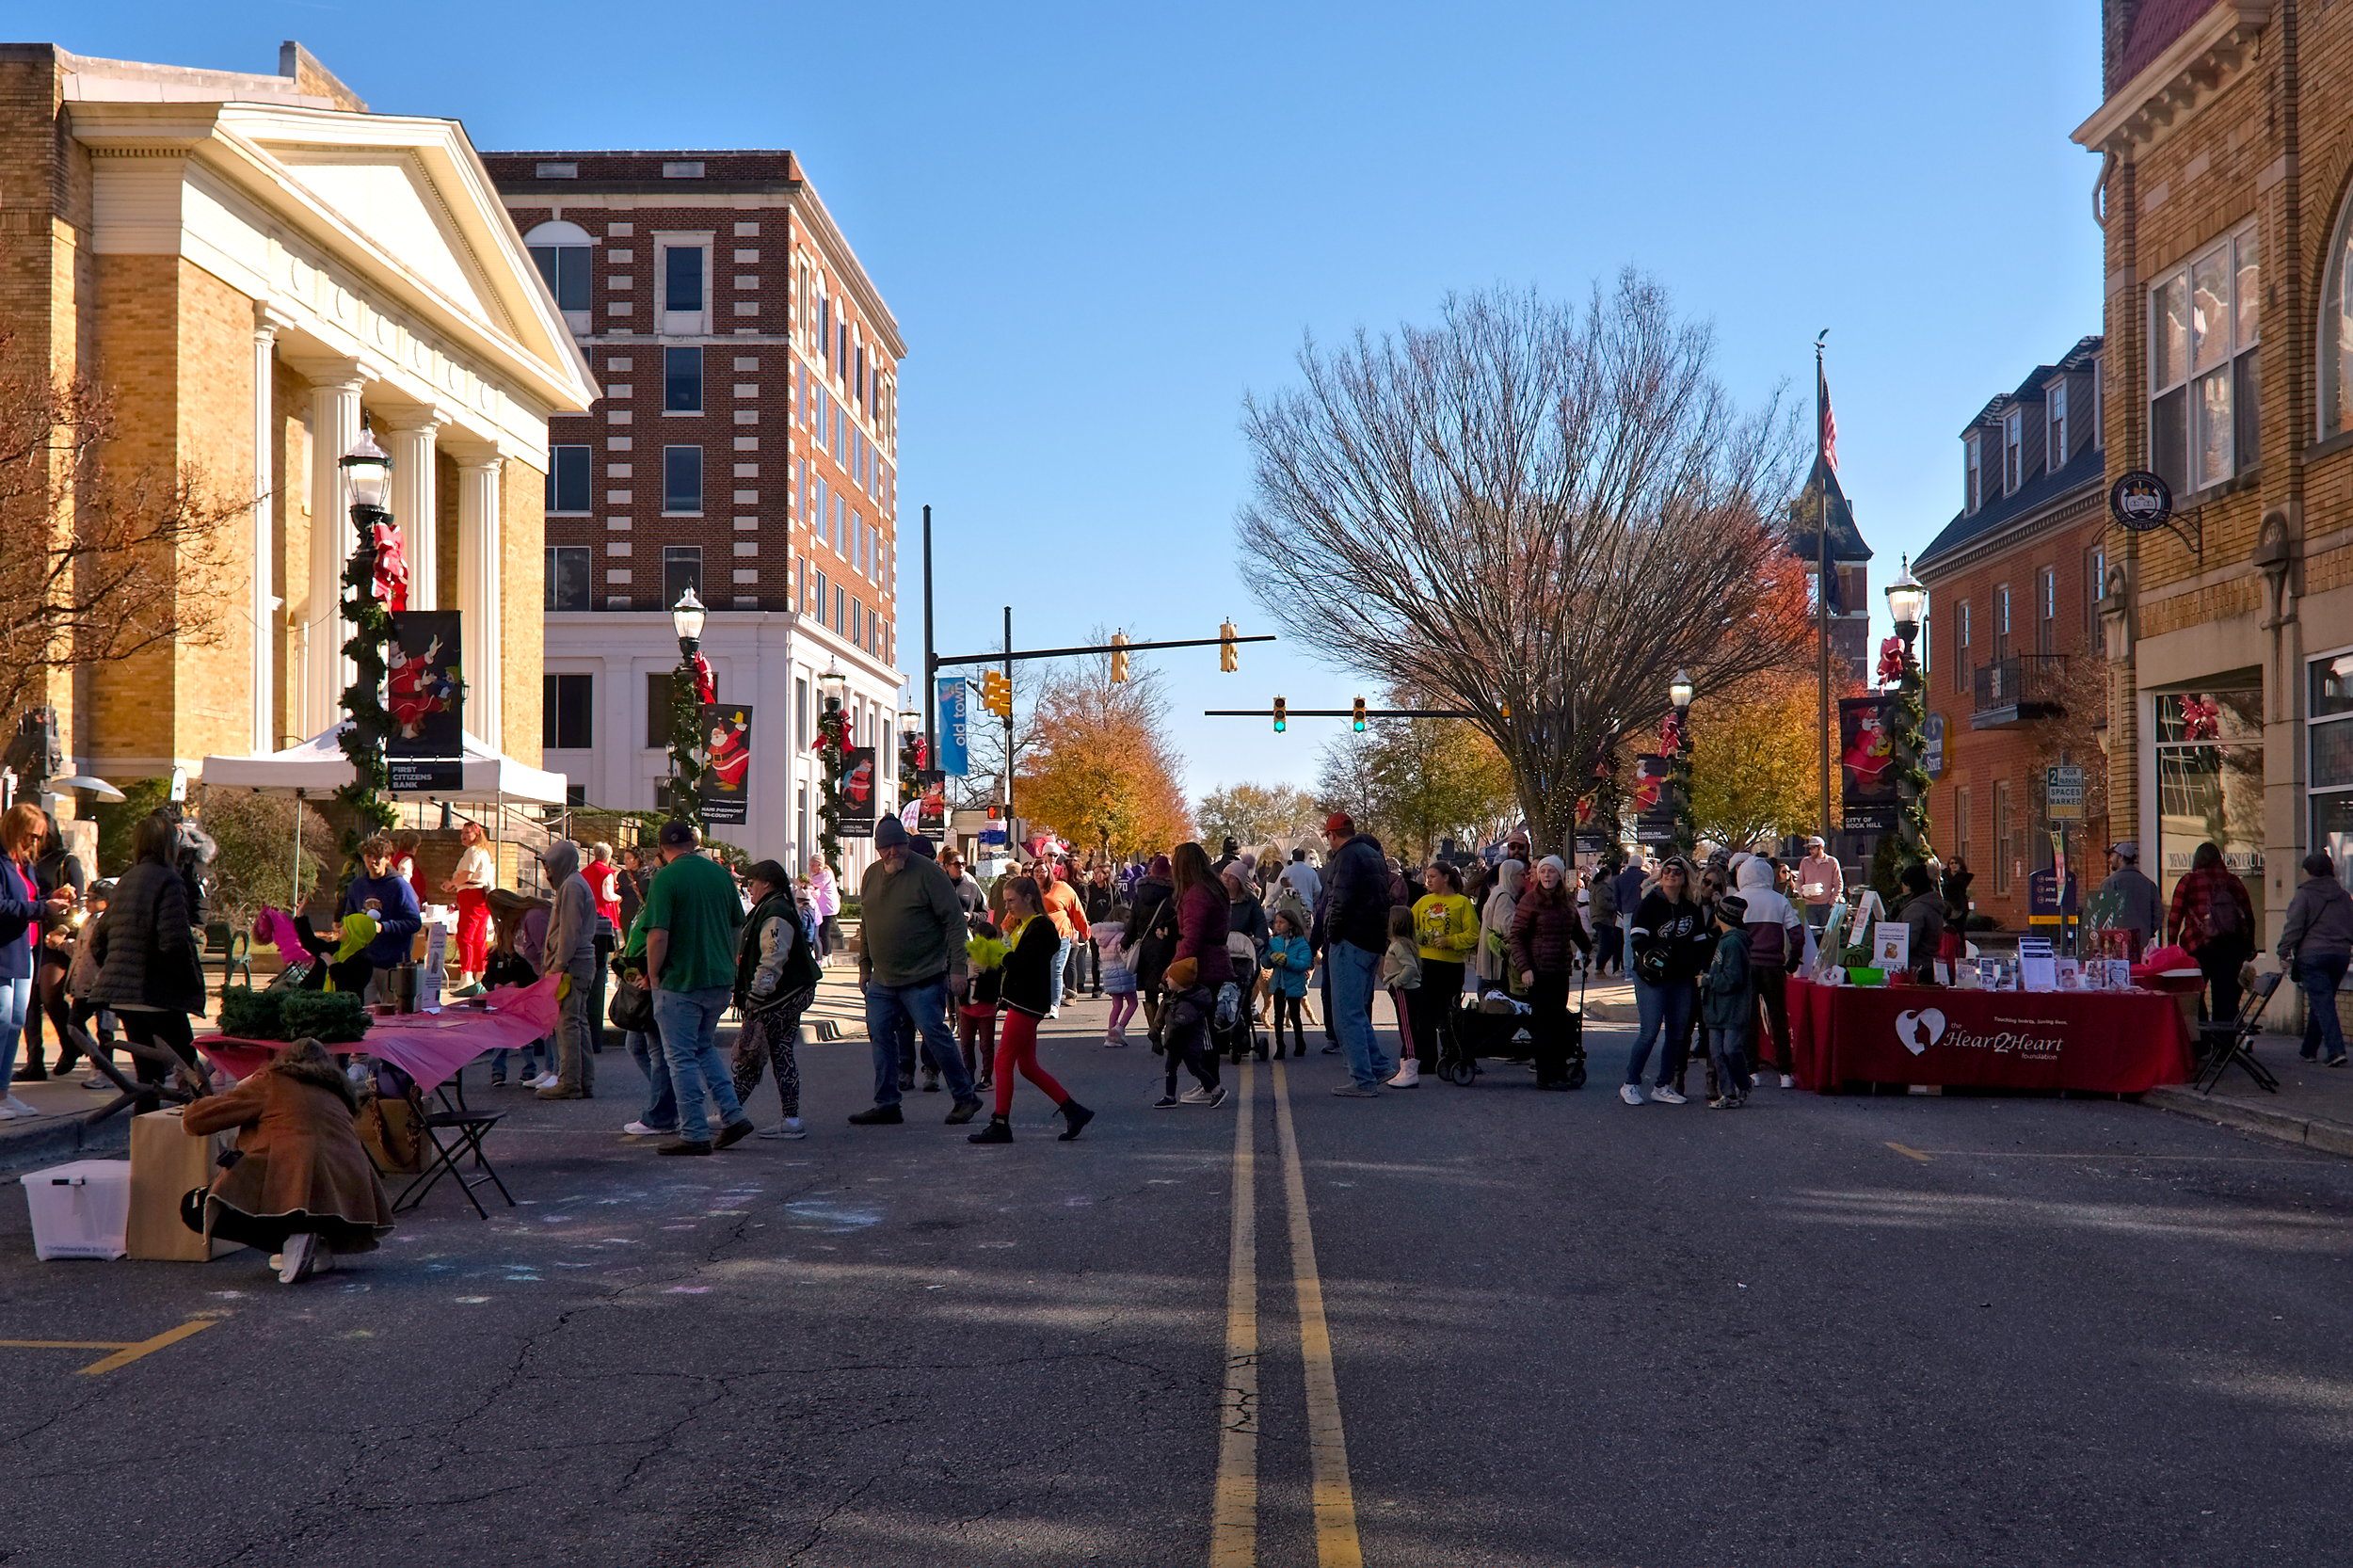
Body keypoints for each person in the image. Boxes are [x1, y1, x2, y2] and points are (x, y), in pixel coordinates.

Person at [179, 1037, 394, 1284]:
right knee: (305, 1202)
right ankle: (316, 1247)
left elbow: (196, 1121)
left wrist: (224, 1093)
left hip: (294, 1195)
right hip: (348, 1206)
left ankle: (291, 1240)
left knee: (195, 1206)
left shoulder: (272, 1081)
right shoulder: (336, 1092)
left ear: (284, 1059)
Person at [850, 817, 983, 1127]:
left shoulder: (929, 874)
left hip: (923, 977)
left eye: (899, 844)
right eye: (886, 846)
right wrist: (865, 966)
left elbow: (954, 922)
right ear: (878, 847)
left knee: (936, 1037)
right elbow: (867, 924)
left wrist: (958, 969)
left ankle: (965, 1096)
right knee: (881, 1037)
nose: (893, 851)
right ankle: (887, 1103)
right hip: (883, 979)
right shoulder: (870, 876)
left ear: (907, 845)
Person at [643, 820, 756, 1154]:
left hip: (681, 979)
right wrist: (728, 961)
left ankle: (694, 1131)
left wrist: (654, 974)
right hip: (718, 977)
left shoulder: (666, 879)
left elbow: (658, 934)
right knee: (704, 1049)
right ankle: (732, 1114)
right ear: (693, 843)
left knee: (680, 1058)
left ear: (662, 850)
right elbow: (738, 927)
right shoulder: (720, 874)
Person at [88, 810, 207, 1096]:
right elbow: (175, 942)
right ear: (170, 845)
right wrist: (189, 984)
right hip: (158, 994)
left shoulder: (126, 881)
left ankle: (144, 1139)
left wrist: (118, 968)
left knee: (147, 1081)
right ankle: (200, 1137)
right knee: (195, 1077)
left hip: (124, 995)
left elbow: (98, 941)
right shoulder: (169, 881)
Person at [968, 874, 1094, 1144]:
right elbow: (1014, 961)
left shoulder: (1040, 927)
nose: (1008, 906)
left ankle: (1000, 1122)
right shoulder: (1025, 925)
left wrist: (998, 955)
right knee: (1026, 1066)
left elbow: (1022, 964)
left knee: (1004, 1060)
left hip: (1027, 1002)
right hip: (1023, 1000)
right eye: (1005, 901)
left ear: (1028, 898)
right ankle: (1074, 1110)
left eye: (1011, 900)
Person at [730, 858, 820, 1140]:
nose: (750, 889)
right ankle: (789, 1118)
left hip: (781, 994)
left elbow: (773, 955)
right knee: (779, 1053)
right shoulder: (775, 906)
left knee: (754, 1053)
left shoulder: (775, 911)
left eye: (752, 884)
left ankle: (730, 1113)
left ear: (766, 883)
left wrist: (758, 993)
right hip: (789, 991)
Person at [1623, 856, 1709, 1106]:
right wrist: (1649, 956)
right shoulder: (1649, 904)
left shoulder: (1691, 908)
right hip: (1652, 977)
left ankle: (1662, 1085)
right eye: (1667, 871)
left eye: (1677, 872)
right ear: (1660, 876)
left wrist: (1701, 967)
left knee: (1678, 1033)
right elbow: (1637, 938)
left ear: (1685, 877)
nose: (1672, 875)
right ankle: (1631, 1082)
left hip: (1682, 978)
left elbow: (1700, 942)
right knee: (1649, 1032)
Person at [1321, 812, 1397, 1097]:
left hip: (1350, 940)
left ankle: (1363, 1078)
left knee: (1345, 1014)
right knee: (1358, 1010)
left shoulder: (1346, 857)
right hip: (1371, 940)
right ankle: (1377, 1065)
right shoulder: (1371, 854)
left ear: (1331, 835)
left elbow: (1339, 900)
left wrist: (1331, 935)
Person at [1156, 840, 1233, 1109]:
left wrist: (1173, 969)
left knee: (1203, 1029)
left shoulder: (1196, 894)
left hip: (1202, 965)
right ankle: (1209, 1082)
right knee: (1205, 1026)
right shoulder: (1213, 888)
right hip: (1214, 960)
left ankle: (1211, 1084)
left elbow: (1192, 937)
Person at [1510, 856, 1592, 1089]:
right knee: (1544, 1025)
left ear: (1559, 875)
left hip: (1559, 970)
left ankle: (1559, 1071)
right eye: (1543, 871)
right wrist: (1524, 967)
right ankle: (1546, 1076)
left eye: (1551, 872)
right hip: (1538, 970)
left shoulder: (1566, 901)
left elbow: (1575, 929)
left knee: (1558, 1024)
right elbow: (1516, 936)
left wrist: (1588, 950)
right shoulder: (1530, 901)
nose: (1547, 875)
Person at [1394, 862, 1476, 1089]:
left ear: (1446, 878)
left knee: (1449, 1014)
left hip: (1451, 965)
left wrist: (1451, 941)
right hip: (1426, 964)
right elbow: (1408, 928)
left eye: (1432, 876)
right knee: (1424, 1014)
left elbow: (1473, 934)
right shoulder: (1423, 902)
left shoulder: (1461, 903)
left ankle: (1454, 1055)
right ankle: (1426, 1059)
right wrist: (1419, 938)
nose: (1428, 880)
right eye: (1426, 877)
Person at [1734, 854, 1805, 1088]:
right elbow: (1796, 933)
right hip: (1773, 966)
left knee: (1749, 1018)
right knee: (1778, 1018)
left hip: (1746, 965)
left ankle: (1751, 1069)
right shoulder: (1779, 900)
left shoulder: (1737, 899)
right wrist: (1793, 960)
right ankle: (1785, 1071)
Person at [2278, 850, 2353, 1066]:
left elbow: (2293, 927)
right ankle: (2309, 1049)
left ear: (2309, 872)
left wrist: (2283, 951)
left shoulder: (2304, 895)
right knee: (2322, 1001)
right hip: (2340, 955)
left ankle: (2336, 1050)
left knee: (2323, 1002)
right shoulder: (2343, 897)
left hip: (2312, 955)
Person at [2169, 841, 2255, 1027]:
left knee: (2194, 993)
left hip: (2198, 946)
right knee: (2226, 996)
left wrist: (2172, 945)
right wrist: (2249, 945)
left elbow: (2175, 915)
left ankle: (2202, 1039)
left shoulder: (2189, 880)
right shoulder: (2232, 881)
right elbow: (2248, 915)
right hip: (2231, 947)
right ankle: (2224, 1043)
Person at [536, 840, 598, 1099]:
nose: (547, 872)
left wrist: (558, 965)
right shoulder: (574, 883)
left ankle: (570, 1081)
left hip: (571, 965)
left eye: (548, 865)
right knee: (577, 1023)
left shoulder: (571, 886)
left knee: (567, 1025)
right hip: (579, 964)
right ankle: (583, 1081)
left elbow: (569, 931)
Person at [0, 806, 45, 1116]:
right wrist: (41, 909)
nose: (34, 842)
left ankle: (4, 1092)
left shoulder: (24, 863)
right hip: (3, 951)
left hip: (24, 950)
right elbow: (3, 906)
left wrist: (50, 903)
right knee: (1, 1021)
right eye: (31, 835)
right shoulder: (2, 863)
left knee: (16, 1021)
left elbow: (29, 901)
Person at [340, 837, 422, 1004]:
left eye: (378, 856)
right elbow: (350, 917)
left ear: (388, 859)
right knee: (367, 1014)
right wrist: (346, 929)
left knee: (392, 1014)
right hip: (365, 963)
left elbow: (414, 922)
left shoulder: (399, 885)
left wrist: (384, 927)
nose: (373, 861)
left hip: (393, 964)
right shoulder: (357, 886)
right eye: (369, 856)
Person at [1697, 893, 1755, 1109]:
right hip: (1716, 1008)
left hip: (1731, 1007)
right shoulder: (1726, 940)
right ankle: (1729, 1093)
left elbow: (1733, 978)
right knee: (1717, 1052)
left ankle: (1741, 1084)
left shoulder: (1733, 943)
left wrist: (1707, 980)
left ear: (1720, 916)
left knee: (1730, 1050)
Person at [1129, 855, 1178, 1044]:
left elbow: (1132, 923)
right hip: (1169, 948)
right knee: (1171, 990)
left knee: (1150, 993)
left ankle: (1153, 1029)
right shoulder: (1174, 895)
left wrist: (1126, 942)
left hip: (1146, 949)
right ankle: (1166, 1029)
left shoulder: (1140, 894)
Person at [442, 819, 495, 992]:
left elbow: (467, 874)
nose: (463, 836)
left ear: (476, 833)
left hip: (471, 894)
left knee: (465, 935)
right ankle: (479, 973)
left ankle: (467, 975)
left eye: (467, 833)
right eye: (462, 833)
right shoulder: (484, 852)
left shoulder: (473, 851)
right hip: (479, 895)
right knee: (478, 937)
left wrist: (451, 883)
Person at [582, 840, 623, 1056]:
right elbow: (608, 895)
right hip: (604, 917)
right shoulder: (607, 872)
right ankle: (604, 978)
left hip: (588, 917)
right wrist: (619, 896)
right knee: (606, 954)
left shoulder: (585, 871)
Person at [1037, 860, 1091, 1011]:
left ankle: (1056, 1003)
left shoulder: (1061, 887)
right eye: (1036, 872)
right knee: (1043, 969)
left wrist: (1083, 930)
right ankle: (1049, 997)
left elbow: (1077, 908)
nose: (1040, 874)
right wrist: (1006, 927)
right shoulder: (1029, 889)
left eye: (1043, 871)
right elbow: (1017, 907)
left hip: (1062, 933)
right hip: (1037, 935)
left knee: (1057, 968)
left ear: (1049, 871)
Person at [2096, 841, 2163, 959]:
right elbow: (2158, 914)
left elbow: (2101, 916)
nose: (2109, 860)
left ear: (2121, 856)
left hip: (2115, 945)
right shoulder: (2148, 884)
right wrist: (2147, 931)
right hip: (2141, 945)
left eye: (2112, 855)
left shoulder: (2110, 883)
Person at [961, 920, 1006, 1085]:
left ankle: (986, 1077)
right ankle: (969, 1074)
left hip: (986, 1007)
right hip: (966, 1007)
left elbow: (997, 984)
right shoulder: (966, 956)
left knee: (986, 1046)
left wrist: (986, 971)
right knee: (966, 1045)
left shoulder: (996, 959)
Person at [1262, 908, 1312, 1058]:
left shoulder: (1300, 944)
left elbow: (1304, 963)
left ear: (1291, 925)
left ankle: (1299, 1043)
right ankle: (1280, 1046)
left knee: (1295, 1015)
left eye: (1281, 922)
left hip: (1294, 985)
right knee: (1278, 1016)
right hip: (1278, 984)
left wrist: (1287, 961)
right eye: (1276, 922)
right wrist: (1270, 957)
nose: (1277, 925)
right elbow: (1265, 961)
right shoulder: (1274, 942)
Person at [1381, 904, 1422, 1075]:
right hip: (1404, 989)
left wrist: (1396, 982)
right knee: (1407, 1025)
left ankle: (1409, 1067)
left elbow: (1410, 967)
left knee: (1407, 1027)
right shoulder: (1403, 943)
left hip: (1403, 989)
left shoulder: (1399, 945)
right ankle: (1405, 1064)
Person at [1475, 858, 1526, 997]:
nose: (1524, 878)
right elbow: (1506, 928)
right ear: (1511, 876)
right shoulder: (1504, 897)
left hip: (1490, 966)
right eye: (1521, 875)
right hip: (1495, 968)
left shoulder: (1497, 893)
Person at [1896, 862, 1947, 987]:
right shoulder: (1931, 904)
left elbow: (1909, 941)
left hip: (1916, 969)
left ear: (1911, 884)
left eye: (1904, 883)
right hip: (1929, 965)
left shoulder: (1917, 908)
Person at [1096, 904, 1139, 1047]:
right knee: (1133, 1003)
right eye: (1127, 917)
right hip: (1124, 973)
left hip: (1109, 974)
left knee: (1117, 1005)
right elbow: (1125, 956)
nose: (1129, 920)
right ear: (1120, 918)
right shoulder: (1122, 936)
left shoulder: (1103, 937)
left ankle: (1110, 1034)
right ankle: (1119, 1028)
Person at [1797, 837, 1843, 933]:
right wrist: (1802, 894)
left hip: (1826, 905)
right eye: (1809, 848)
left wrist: (1832, 901)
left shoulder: (1832, 862)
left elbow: (1839, 883)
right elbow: (1799, 881)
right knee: (1812, 935)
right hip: (1809, 905)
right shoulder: (1805, 862)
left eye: (1813, 848)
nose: (1810, 851)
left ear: (1821, 847)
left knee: (1825, 934)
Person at [1588, 862, 1623, 977]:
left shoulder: (1598, 888)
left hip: (1602, 919)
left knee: (1608, 944)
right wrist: (1615, 907)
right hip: (1603, 919)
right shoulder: (1602, 888)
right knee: (1607, 944)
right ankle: (1599, 968)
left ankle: (1600, 967)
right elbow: (1602, 902)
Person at [807, 854, 841, 964]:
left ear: (820, 864)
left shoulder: (825, 874)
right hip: (822, 908)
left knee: (824, 932)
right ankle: (827, 955)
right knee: (822, 933)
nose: (812, 868)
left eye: (814, 865)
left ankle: (826, 956)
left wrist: (803, 882)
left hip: (827, 908)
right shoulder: (819, 874)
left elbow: (814, 884)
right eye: (810, 865)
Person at [941, 850, 987, 917]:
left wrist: (971, 917)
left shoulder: (972, 888)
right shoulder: (938, 887)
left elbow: (984, 914)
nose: (961, 867)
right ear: (947, 866)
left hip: (966, 926)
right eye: (957, 864)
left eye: (963, 864)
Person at [1280, 847, 1322, 913]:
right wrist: (1312, 899)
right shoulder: (1311, 872)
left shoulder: (1286, 871)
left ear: (1293, 858)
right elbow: (1318, 890)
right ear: (1304, 858)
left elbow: (1278, 887)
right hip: (1307, 906)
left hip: (1289, 906)